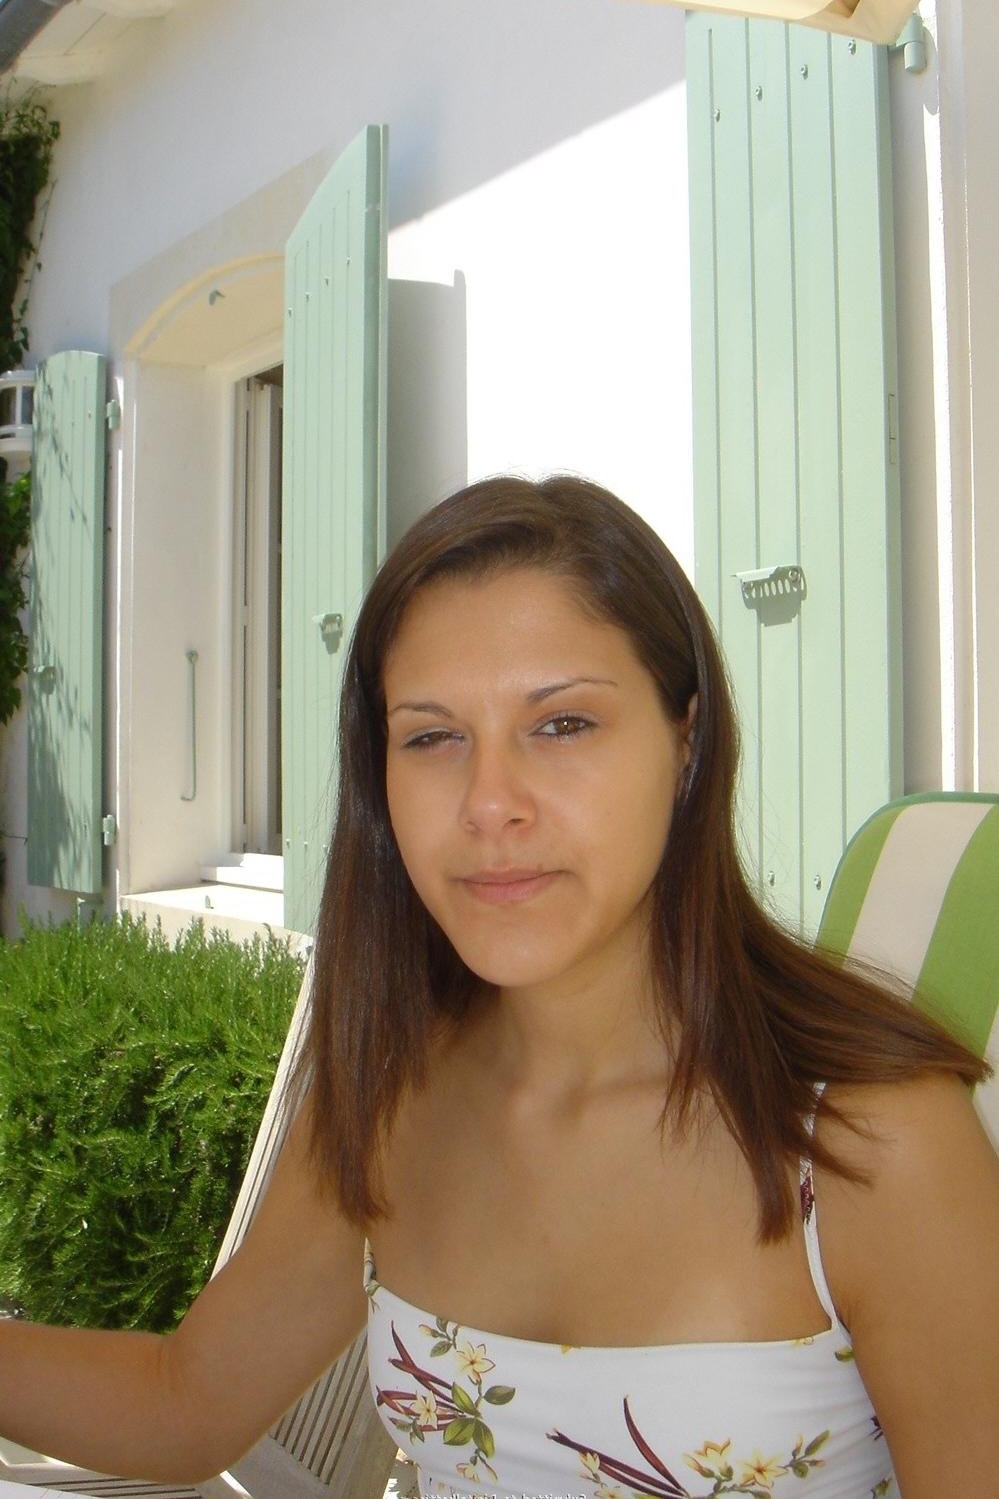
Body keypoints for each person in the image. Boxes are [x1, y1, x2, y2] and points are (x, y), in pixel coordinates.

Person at [2, 474, 997, 1499]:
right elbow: (186, 1402)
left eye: (562, 724)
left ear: (686, 741)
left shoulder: (869, 1144)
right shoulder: (387, 1091)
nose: (489, 804)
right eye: (432, 737)